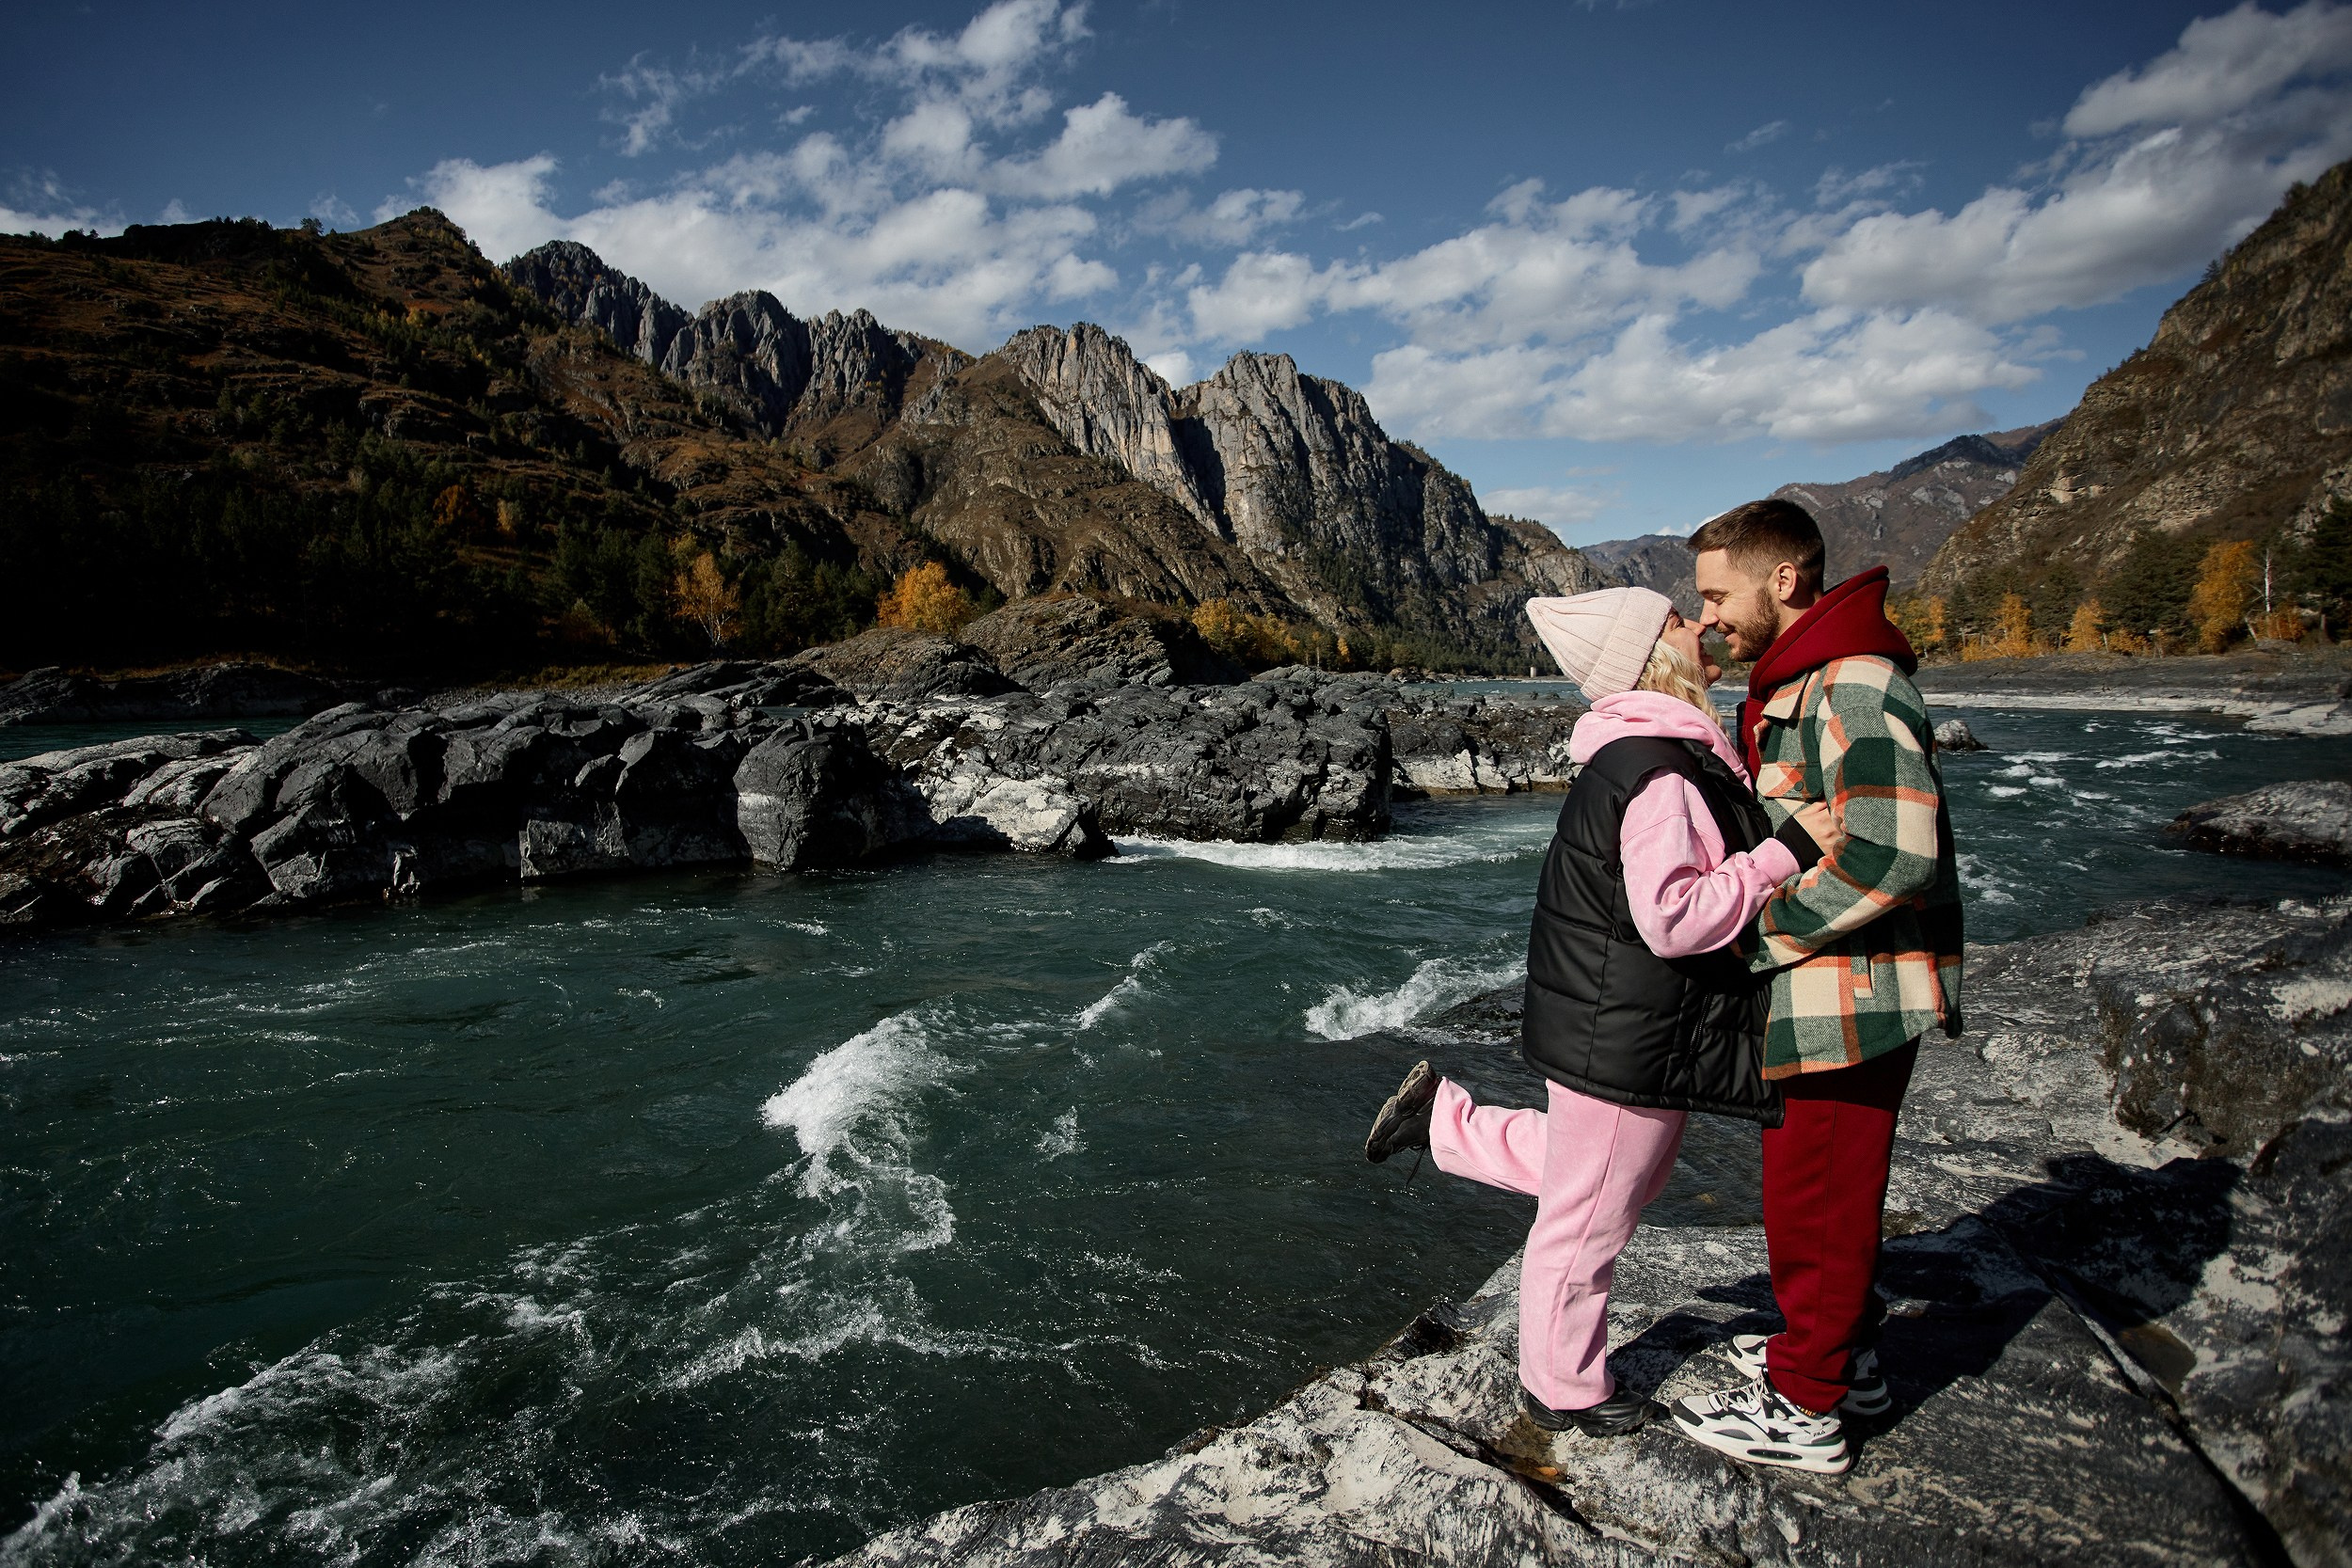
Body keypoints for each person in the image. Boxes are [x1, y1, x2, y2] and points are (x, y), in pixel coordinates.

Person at [1362, 586, 1841, 1437]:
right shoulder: (1659, 770)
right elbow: (1674, 916)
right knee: (1588, 1219)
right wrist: (1780, 855)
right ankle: (1561, 1386)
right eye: (1678, 621)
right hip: (1628, 1029)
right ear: (1654, 655)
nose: (1701, 625)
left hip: (1619, 1022)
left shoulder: (1643, 754)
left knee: (1612, 1179)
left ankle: (1442, 1120)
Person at [1665, 499, 1963, 1476]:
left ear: (1783, 579)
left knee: (1820, 1203)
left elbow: (1895, 849)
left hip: (1849, 991)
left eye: (1717, 593)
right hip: (1829, 988)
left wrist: (1762, 935)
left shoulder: (1854, 683)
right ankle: (1846, 1360)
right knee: (1812, 1197)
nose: (1707, 617)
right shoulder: (1811, 676)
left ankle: (1807, 1404)